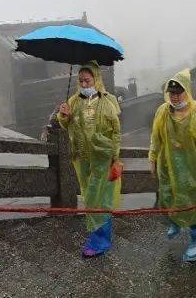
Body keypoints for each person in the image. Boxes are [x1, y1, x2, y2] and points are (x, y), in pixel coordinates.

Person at [149, 69, 196, 262]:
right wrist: (152, 158)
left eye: (178, 92)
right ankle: (175, 220)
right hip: (170, 165)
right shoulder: (163, 111)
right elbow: (156, 137)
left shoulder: (195, 111)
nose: (174, 97)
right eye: (171, 93)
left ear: (187, 91)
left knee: (194, 203)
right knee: (168, 195)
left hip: (193, 166)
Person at [55, 62, 122, 257]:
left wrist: (115, 157)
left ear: (96, 80)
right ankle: (100, 238)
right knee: (90, 196)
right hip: (82, 158)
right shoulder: (74, 101)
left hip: (102, 158)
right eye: (81, 81)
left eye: (87, 80)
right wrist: (64, 115)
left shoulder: (107, 101)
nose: (84, 84)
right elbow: (67, 125)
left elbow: (116, 132)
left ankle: (99, 241)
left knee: (98, 198)